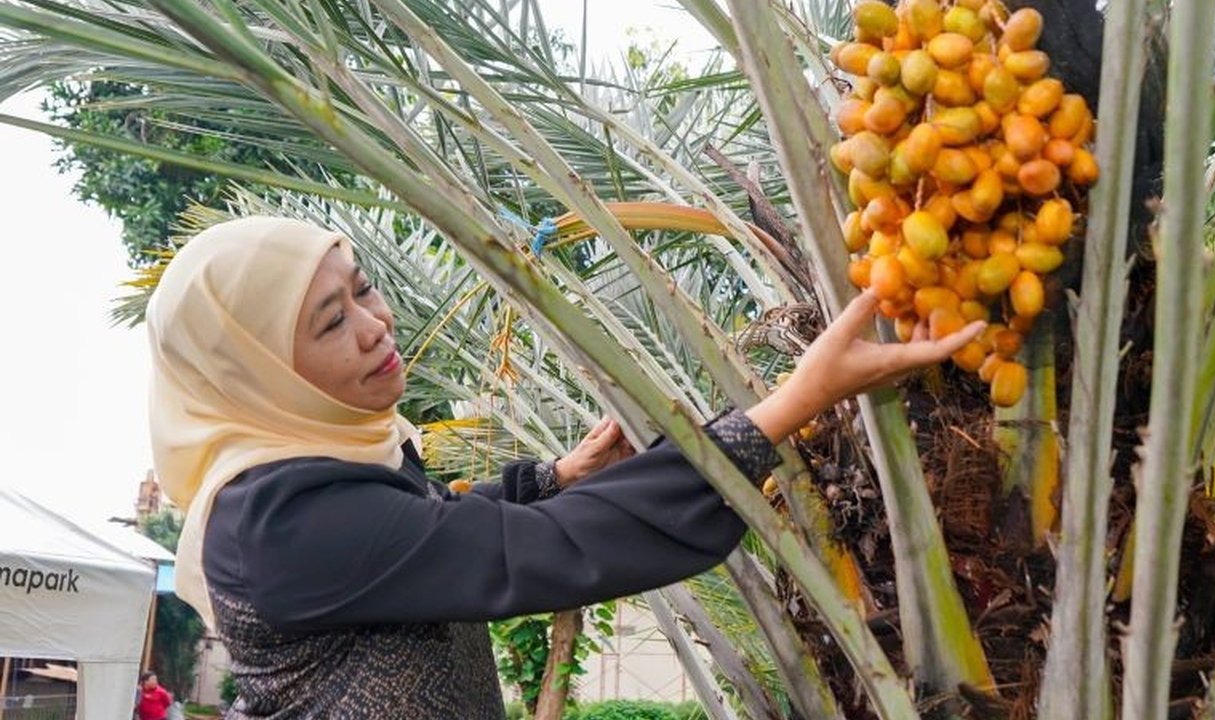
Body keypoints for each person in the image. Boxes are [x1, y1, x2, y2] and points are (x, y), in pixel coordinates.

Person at [148, 217, 982, 718]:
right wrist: (795, 400)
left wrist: (553, 476)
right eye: (331, 322)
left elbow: (434, 519)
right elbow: (533, 551)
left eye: (364, 290)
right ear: (255, 369)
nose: (374, 325)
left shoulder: (322, 461)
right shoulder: (277, 522)